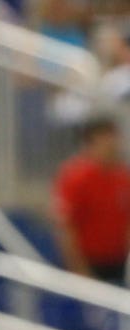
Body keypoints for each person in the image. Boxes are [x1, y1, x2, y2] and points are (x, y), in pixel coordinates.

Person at [52, 117, 130, 284]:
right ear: (92, 141)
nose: (113, 143)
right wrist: (79, 269)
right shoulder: (75, 176)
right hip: (87, 262)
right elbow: (66, 227)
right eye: (106, 138)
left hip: (117, 262)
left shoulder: (123, 176)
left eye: (114, 137)